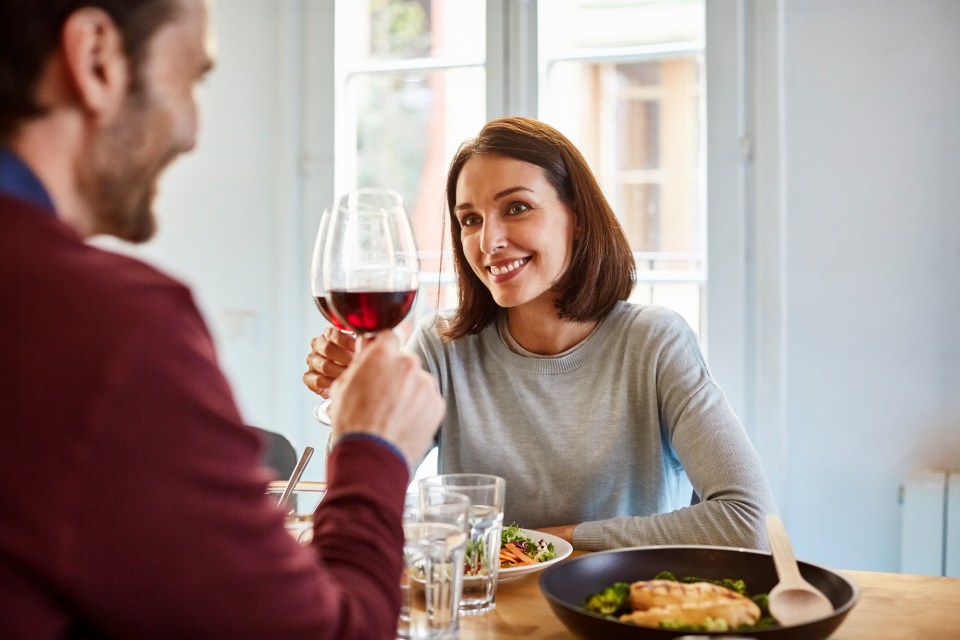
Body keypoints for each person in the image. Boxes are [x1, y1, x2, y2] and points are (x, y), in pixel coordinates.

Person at [0, 1, 444, 637]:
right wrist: (370, 446)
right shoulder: (117, 329)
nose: (191, 131)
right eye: (191, 78)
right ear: (97, 58)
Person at [304, 116, 776, 552]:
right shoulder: (443, 346)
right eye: (470, 219)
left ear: (576, 216)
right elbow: (358, 508)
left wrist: (557, 542)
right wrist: (357, 411)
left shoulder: (655, 343)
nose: (489, 242)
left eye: (517, 207)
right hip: (486, 620)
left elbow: (748, 522)